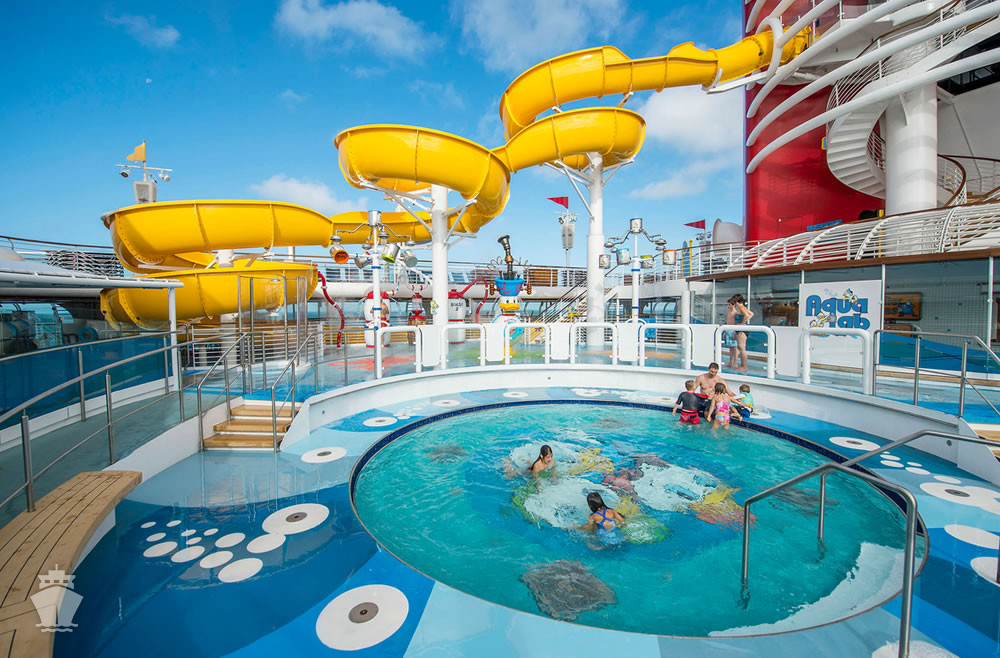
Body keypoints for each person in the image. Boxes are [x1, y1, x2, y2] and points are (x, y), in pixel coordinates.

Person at [726, 294, 755, 373]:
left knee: (742, 349)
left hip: (742, 330)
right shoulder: (741, 308)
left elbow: (747, 315)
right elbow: (751, 314)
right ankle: (742, 365)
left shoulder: (741, 307)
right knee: (740, 347)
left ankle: (744, 366)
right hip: (739, 329)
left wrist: (742, 323)